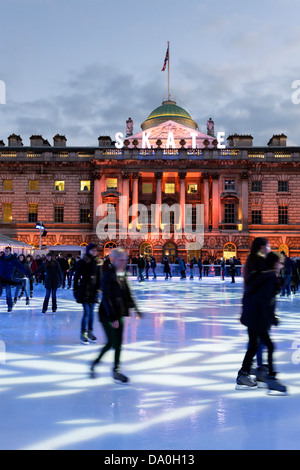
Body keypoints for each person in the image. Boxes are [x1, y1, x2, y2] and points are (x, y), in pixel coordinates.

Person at [236, 251, 287, 394]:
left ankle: (243, 374)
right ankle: (271, 378)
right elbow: (264, 299)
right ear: (274, 263)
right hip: (258, 317)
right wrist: (271, 317)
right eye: (280, 263)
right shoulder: (270, 276)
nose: (282, 266)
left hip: (251, 315)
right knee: (269, 346)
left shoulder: (262, 274)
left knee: (253, 346)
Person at [91, 248, 143, 383]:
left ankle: (116, 370)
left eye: (125, 260)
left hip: (119, 312)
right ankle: (96, 363)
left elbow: (127, 293)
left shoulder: (123, 274)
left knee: (118, 344)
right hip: (107, 314)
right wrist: (113, 317)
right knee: (111, 343)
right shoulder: (108, 275)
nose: (123, 263)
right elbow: (106, 297)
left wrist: (136, 309)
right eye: (121, 260)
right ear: (114, 260)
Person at [73, 243, 102, 344]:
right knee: (87, 312)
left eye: (95, 250)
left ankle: (90, 331)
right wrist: (75, 289)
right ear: (88, 250)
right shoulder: (82, 262)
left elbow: (100, 277)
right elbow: (76, 276)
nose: (94, 252)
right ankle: (83, 333)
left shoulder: (98, 262)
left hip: (94, 291)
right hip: (84, 290)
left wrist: (99, 289)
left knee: (91, 314)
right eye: (92, 250)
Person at [0, 247, 30, 312]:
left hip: (8, 279)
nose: (6, 252)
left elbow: (20, 266)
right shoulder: (1, 258)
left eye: (7, 251)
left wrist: (27, 273)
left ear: (10, 251)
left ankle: (10, 306)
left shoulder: (13, 259)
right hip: (1, 278)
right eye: (5, 251)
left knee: (8, 293)